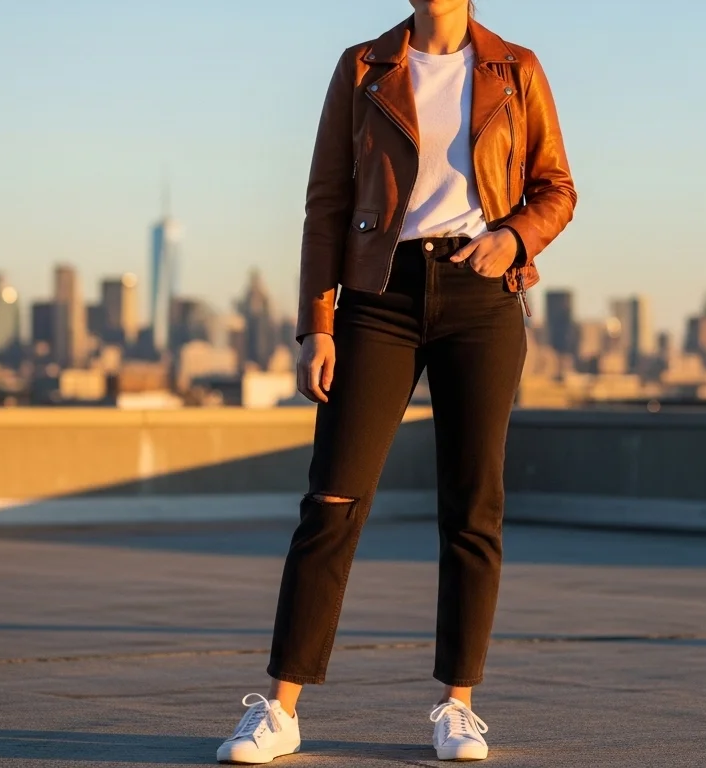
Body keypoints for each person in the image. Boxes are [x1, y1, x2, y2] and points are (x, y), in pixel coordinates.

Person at [217, 0, 575, 763]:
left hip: (482, 294)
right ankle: (279, 708)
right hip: (378, 298)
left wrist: (511, 239)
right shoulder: (363, 66)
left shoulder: (516, 68)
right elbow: (327, 203)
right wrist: (318, 321)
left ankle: (458, 706)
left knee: (473, 504)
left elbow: (556, 187)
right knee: (333, 499)